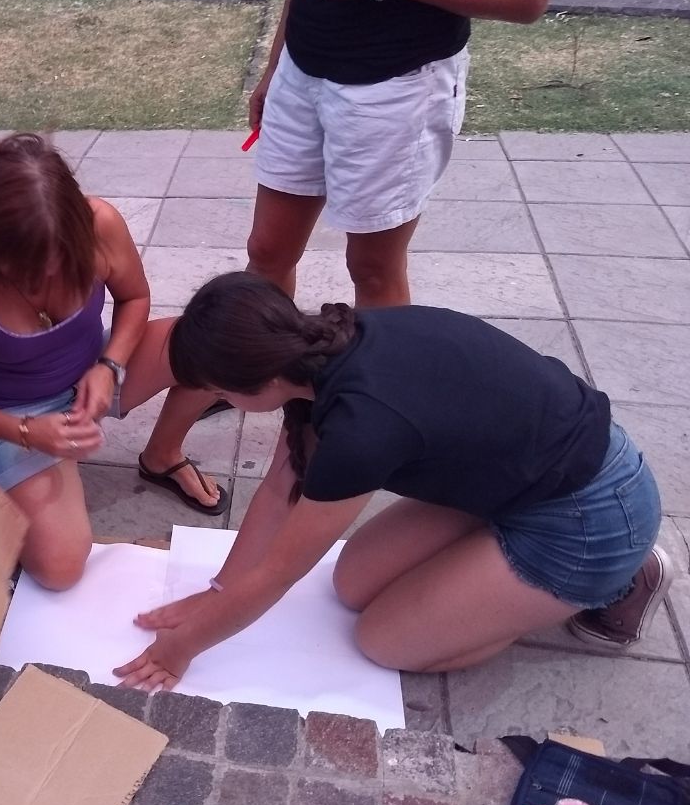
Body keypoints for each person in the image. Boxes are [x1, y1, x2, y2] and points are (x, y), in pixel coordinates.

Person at [116, 272, 665, 690]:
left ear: (258, 377)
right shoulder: (323, 347)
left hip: (593, 518)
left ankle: (617, 581)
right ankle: (495, 576)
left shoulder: (361, 428)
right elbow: (281, 491)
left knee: (383, 640)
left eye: (219, 392)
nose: (223, 403)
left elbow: (279, 572)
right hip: (526, 476)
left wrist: (178, 650)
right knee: (352, 583)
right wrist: (217, 592)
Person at [0, 133, 226, 591]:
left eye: (61, 258)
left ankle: (162, 456)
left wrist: (109, 365)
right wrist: (27, 431)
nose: (46, 276)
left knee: (217, 345)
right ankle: (9, 484)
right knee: (60, 569)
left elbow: (135, 298)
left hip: (95, 367)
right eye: (21, 266)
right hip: (15, 413)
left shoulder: (102, 222)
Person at [246, 0, 555, 306]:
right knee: (267, 250)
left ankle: (385, 353)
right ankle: (260, 351)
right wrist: (275, 63)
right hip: (302, 67)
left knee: (372, 269)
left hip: (399, 82)